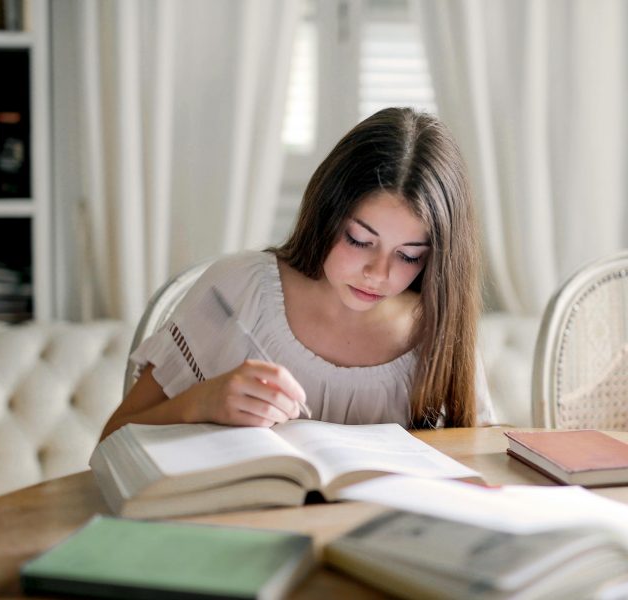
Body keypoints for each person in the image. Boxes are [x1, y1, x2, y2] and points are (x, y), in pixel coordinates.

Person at [100, 107, 494, 441]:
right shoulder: (240, 290)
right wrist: (201, 403)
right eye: (359, 240)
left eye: (409, 256)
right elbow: (112, 440)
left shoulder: (439, 329)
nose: (379, 273)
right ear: (326, 214)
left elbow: (475, 462)